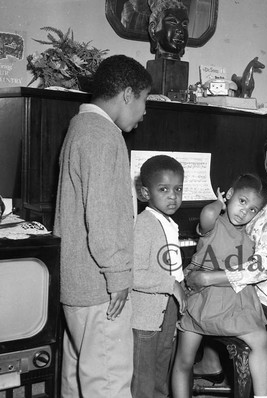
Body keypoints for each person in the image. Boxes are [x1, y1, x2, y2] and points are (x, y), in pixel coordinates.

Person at [181, 114, 267, 395]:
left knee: (196, 294)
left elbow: (259, 269)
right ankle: (209, 361)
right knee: (202, 287)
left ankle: (192, 363)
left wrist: (205, 278)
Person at [54, 54, 152, 398]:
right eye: (143, 100)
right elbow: (103, 217)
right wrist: (119, 276)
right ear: (127, 94)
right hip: (98, 287)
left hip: (77, 284)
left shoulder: (79, 127)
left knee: (78, 378)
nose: (144, 111)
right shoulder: (104, 136)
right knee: (109, 382)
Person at [172, 174, 267, 398]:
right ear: (229, 195)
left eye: (253, 209)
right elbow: (207, 214)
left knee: (261, 340)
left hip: (230, 301)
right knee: (184, 360)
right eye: (242, 201)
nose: (244, 211)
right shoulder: (214, 223)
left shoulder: (247, 236)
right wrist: (219, 202)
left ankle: (262, 396)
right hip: (203, 297)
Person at [131, 155, 187, 398]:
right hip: (145, 316)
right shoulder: (144, 224)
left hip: (167, 310)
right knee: (143, 377)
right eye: (163, 189)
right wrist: (172, 285)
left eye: (178, 189)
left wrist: (184, 282)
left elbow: (171, 265)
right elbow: (132, 274)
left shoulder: (168, 222)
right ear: (145, 193)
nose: (172, 195)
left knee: (162, 368)